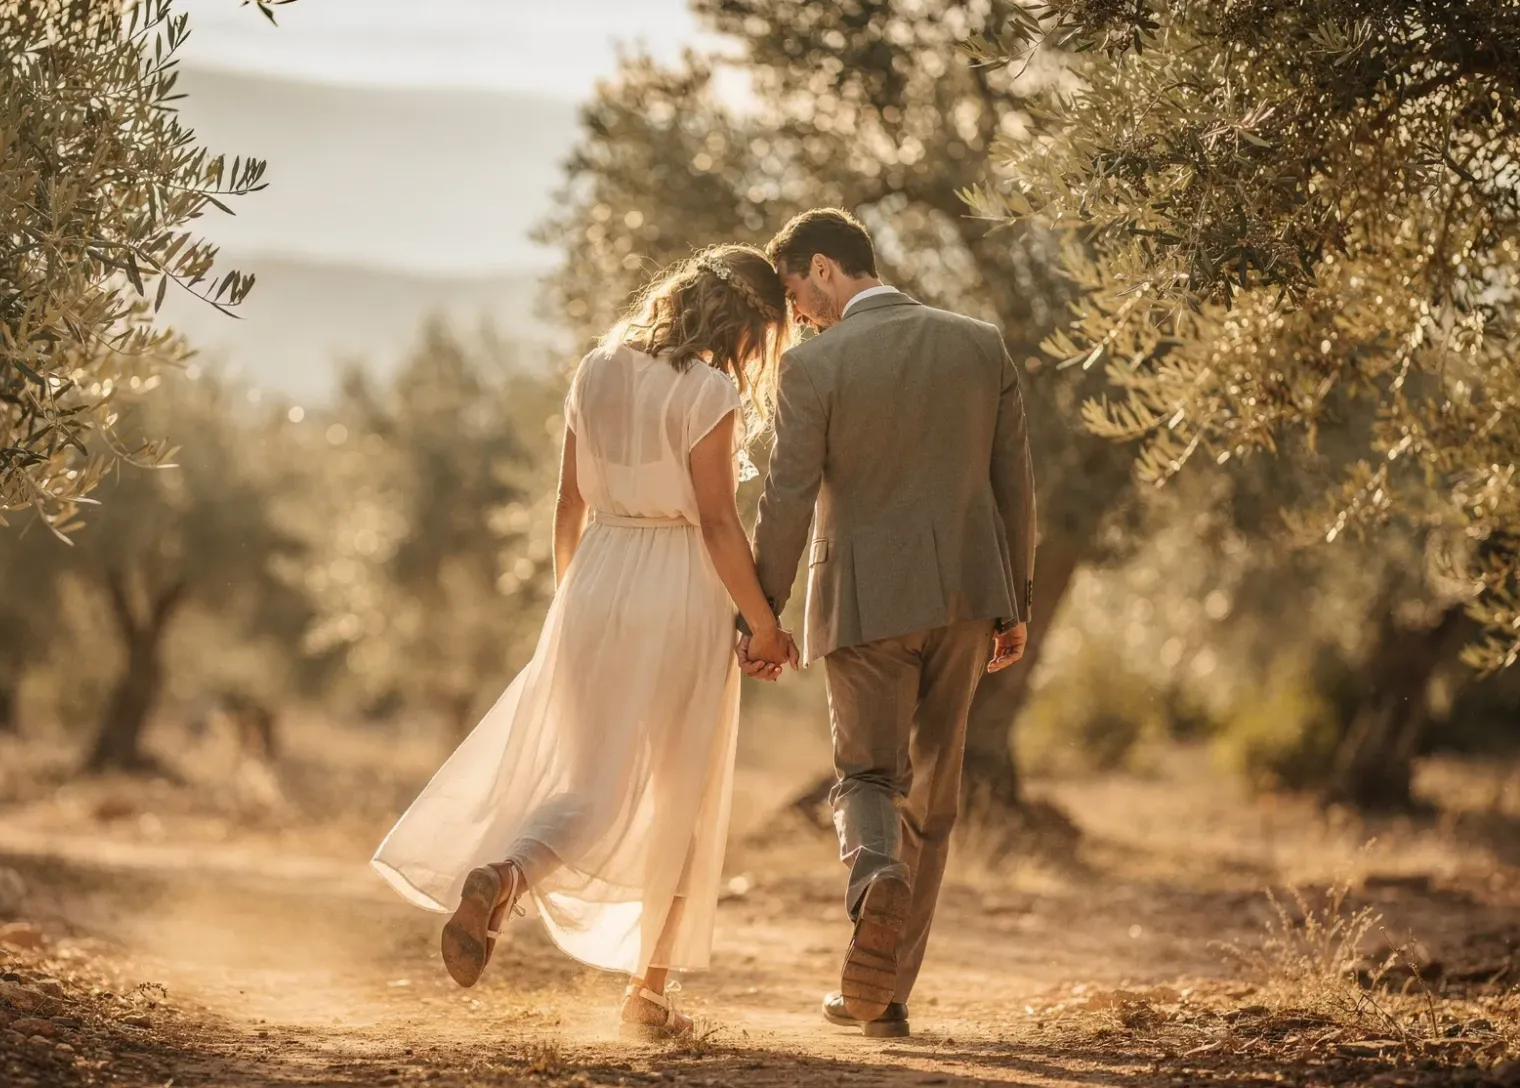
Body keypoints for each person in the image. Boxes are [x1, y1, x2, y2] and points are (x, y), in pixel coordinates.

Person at [371, 244, 795, 1040]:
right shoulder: (709, 391)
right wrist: (763, 622)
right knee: (682, 787)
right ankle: (650, 990)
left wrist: (570, 602)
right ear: (747, 324)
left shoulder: (596, 370)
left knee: (588, 775)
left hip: (596, 577)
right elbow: (714, 521)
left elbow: (566, 503)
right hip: (679, 591)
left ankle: (508, 872)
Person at [740, 208, 1037, 1039]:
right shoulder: (981, 346)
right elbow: (1016, 485)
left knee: (868, 776)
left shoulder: (817, 367)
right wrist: (1016, 600)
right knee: (934, 798)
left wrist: (760, 613)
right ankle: (888, 994)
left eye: (798, 293)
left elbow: (787, 499)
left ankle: (875, 879)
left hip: (865, 603)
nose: (798, 315)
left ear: (827, 268)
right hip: (968, 602)